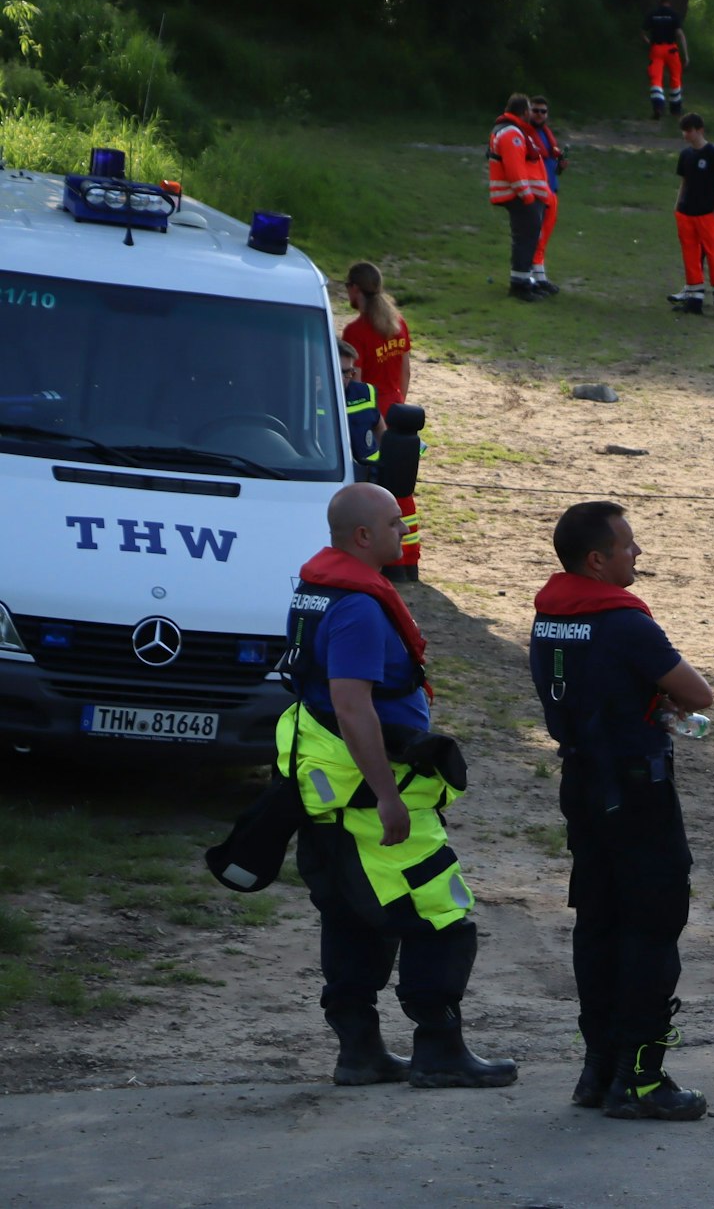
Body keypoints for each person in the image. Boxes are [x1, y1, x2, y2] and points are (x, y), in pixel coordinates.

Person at [278, 482, 516, 1090]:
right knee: (441, 915)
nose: (403, 530)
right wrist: (387, 794)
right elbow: (353, 704)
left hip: (325, 789)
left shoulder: (316, 591)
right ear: (362, 536)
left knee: (351, 913)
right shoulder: (357, 605)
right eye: (393, 523)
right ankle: (438, 1050)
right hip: (367, 792)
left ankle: (360, 1052)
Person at [529, 501, 714, 1122]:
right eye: (628, 547)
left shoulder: (548, 615)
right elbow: (698, 694)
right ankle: (640, 1080)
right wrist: (654, 700)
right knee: (653, 927)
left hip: (582, 785)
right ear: (597, 559)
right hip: (637, 791)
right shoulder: (624, 621)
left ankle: (598, 1071)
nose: (638, 555)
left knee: (598, 925)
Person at [341, 264, 420, 581]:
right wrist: (398, 405)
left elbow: (355, 381)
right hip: (397, 410)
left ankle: (382, 560)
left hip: (372, 415)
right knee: (403, 488)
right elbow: (405, 370)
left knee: (373, 487)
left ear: (355, 290)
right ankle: (409, 560)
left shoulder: (355, 332)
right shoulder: (397, 323)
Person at [487, 92, 549, 302]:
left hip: (516, 194)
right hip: (517, 195)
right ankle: (520, 285)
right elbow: (514, 169)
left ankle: (525, 281)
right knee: (525, 238)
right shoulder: (511, 133)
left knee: (527, 238)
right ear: (524, 111)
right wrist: (527, 195)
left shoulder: (508, 130)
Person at [673, 113, 714, 318]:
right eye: (684, 130)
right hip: (686, 213)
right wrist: (677, 206)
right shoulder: (686, 155)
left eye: (688, 130)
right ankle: (694, 299)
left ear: (699, 130)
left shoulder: (713, 155)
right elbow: (684, 183)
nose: (685, 134)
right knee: (690, 256)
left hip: (707, 214)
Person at [526, 96, 567, 296]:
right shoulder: (525, 134)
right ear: (528, 112)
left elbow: (551, 163)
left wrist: (560, 166)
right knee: (533, 237)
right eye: (535, 110)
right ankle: (527, 278)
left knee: (543, 238)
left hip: (552, 190)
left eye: (543, 111)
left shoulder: (546, 135)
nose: (539, 114)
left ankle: (540, 277)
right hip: (537, 194)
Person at [643, 0, 690, 120]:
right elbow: (680, 35)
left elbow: (643, 32)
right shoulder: (674, 15)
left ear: (659, 1)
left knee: (656, 78)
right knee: (675, 78)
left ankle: (658, 106)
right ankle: (675, 109)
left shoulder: (653, 14)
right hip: (671, 50)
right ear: (669, 1)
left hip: (656, 49)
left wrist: (649, 43)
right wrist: (686, 55)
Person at [338, 340, 384, 472]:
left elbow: (381, 431)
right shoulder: (308, 398)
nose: (342, 379)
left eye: (348, 372)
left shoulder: (365, 393)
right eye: (337, 371)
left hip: (369, 477)